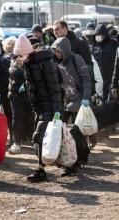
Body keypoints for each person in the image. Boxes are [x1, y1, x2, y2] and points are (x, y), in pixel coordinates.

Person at [13, 34, 61, 183]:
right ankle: (64, 163)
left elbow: (54, 87)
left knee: (38, 137)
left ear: (27, 51)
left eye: (21, 54)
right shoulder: (27, 63)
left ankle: (40, 170)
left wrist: (57, 110)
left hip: (50, 106)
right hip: (39, 106)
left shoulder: (45, 63)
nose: (19, 58)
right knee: (52, 137)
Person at [51, 37, 92, 174]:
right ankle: (70, 160)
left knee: (75, 133)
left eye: (59, 51)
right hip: (65, 102)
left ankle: (77, 161)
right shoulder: (57, 63)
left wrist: (86, 98)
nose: (57, 54)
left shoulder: (77, 59)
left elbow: (86, 79)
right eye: (55, 51)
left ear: (65, 50)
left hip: (78, 100)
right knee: (63, 132)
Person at [7, 39, 34, 154]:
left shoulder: (19, 58)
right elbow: (16, 74)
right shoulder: (16, 60)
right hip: (17, 94)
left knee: (30, 118)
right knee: (17, 118)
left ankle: (32, 141)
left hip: (27, 94)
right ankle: (17, 142)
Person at [90, 24, 118, 101]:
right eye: (97, 34)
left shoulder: (113, 44)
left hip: (110, 77)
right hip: (98, 78)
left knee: (110, 101)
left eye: (101, 34)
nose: (99, 36)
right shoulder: (92, 47)